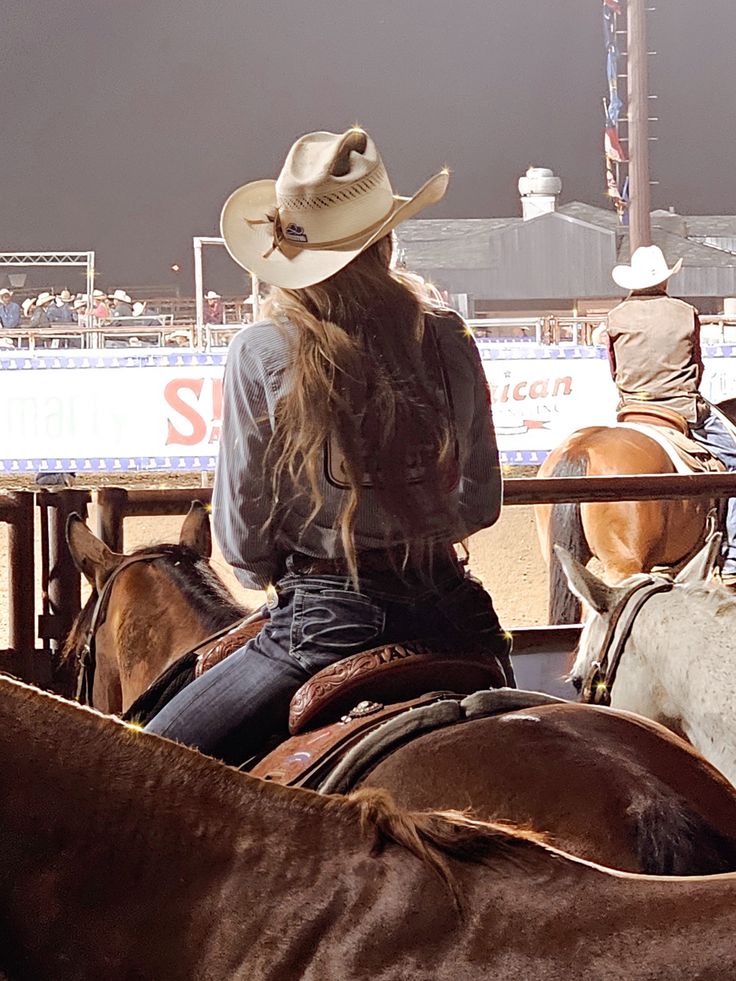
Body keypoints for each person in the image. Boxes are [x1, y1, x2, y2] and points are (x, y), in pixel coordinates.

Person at [145, 127, 513, 762]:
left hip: (327, 619)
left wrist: (271, 575)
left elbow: (240, 533)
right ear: (387, 240)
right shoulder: (448, 337)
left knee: (148, 766)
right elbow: (481, 503)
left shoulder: (262, 350)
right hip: (456, 614)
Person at [606, 244, 736, 584]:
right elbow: (697, 363)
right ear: (665, 280)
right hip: (681, 408)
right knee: (734, 463)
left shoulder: (615, 316)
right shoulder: (685, 312)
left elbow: (614, 368)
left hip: (633, 409)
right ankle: (734, 555)